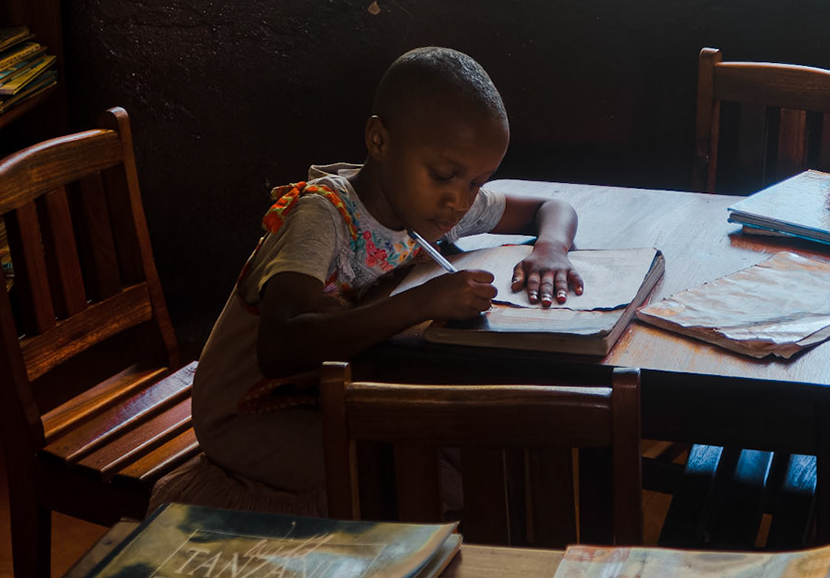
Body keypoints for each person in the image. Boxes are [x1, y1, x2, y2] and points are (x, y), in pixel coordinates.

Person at [156, 46, 582, 513]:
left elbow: (553, 207)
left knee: (489, 454)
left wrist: (551, 249)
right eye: (445, 175)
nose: (460, 201)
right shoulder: (323, 217)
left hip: (334, 395)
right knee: (431, 485)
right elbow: (280, 348)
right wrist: (422, 303)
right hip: (248, 415)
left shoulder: (434, 206)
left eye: (477, 182)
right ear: (379, 141)